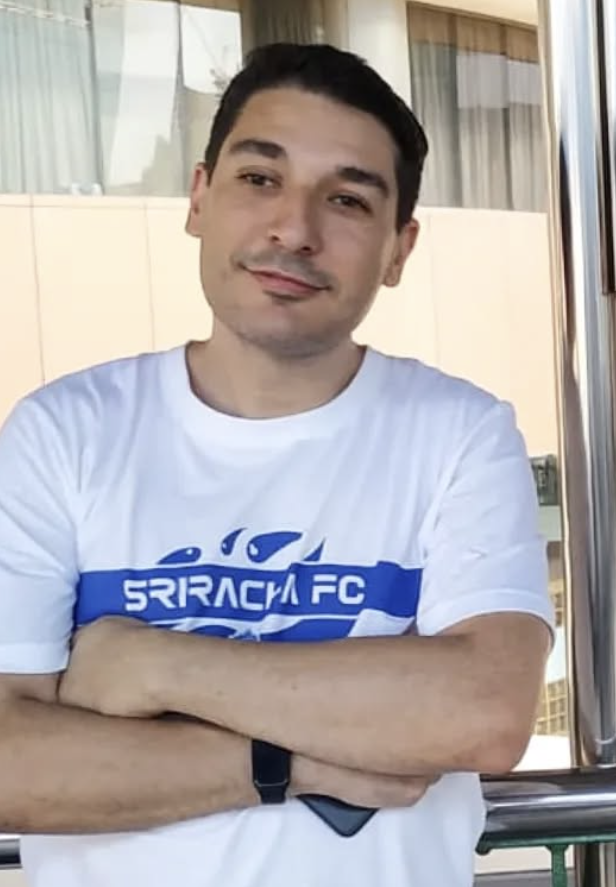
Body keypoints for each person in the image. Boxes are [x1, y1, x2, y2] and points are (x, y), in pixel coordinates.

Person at [0, 43, 556, 887]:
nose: (294, 230)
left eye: (346, 200)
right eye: (260, 180)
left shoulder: (459, 433)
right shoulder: (62, 432)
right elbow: (13, 764)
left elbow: (481, 712)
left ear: (399, 250)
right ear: (199, 198)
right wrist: (288, 765)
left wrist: (148, 662)